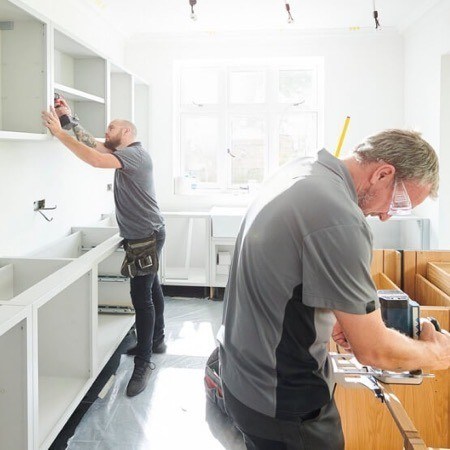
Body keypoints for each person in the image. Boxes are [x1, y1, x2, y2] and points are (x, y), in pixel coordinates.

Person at [217, 129, 450, 450]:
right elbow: (374, 351)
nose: (386, 216)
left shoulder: (303, 169)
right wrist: (437, 354)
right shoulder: (340, 218)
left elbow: (284, 265)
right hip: (284, 402)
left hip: (241, 377)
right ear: (383, 173)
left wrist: (337, 315)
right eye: (399, 202)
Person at [42, 101, 166, 397]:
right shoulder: (125, 152)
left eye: (111, 127)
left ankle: (144, 362)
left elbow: (96, 160)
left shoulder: (135, 155)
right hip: (146, 233)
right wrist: (68, 120)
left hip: (145, 237)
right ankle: (158, 340)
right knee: (153, 288)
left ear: (125, 131)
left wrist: (60, 134)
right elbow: (94, 145)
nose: (106, 131)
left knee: (142, 297)